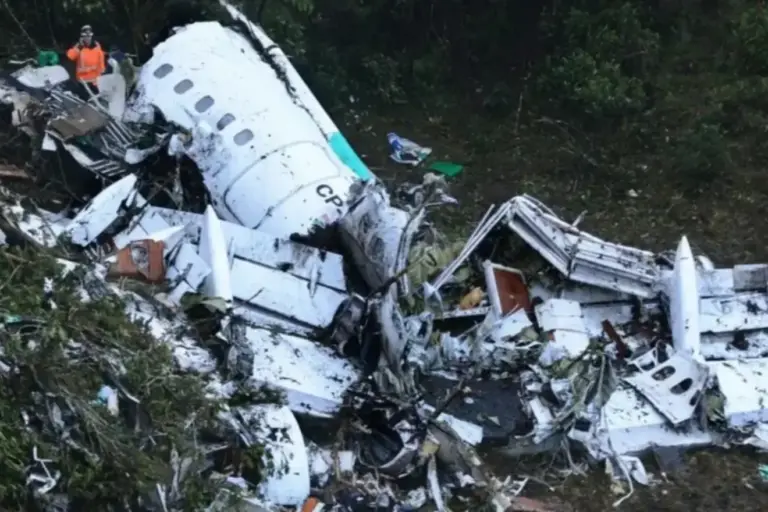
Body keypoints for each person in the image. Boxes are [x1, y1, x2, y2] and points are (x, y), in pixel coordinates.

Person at [66, 25, 106, 100]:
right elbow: (70, 56)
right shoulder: (79, 46)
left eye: (89, 35)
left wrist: (102, 75)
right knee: (84, 102)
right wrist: (79, 47)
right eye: (85, 36)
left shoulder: (97, 46)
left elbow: (101, 62)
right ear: (82, 37)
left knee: (99, 102)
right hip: (83, 82)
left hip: (95, 82)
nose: (87, 38)